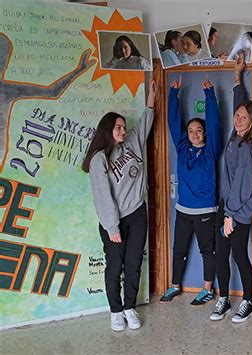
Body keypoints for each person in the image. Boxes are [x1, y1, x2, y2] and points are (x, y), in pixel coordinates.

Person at [82, 80, 156, 332]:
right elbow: (102, 195)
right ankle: (115, 310)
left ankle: (129, 307)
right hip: (113, 221)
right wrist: (112, 226)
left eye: (124, 127)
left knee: (134, 262)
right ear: (107, 130)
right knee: (115, 266)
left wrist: (151, 98)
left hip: (137, 213)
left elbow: (146, 121)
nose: (123, 131)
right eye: (118, 127)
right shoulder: (98, 159)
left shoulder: (133, 143)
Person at [210, 55, 252, 323]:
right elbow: (239, 105)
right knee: (221, 253)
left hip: (240, 209)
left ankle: (247, 300)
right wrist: (237, 76)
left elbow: (243, 187)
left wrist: (230, 215)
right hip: (227, 206)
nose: (238, 119)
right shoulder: (235, 136)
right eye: (237, 116)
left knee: (239, 254)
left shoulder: (248, 148)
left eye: (244, 117)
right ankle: (223, 298)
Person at [159, 76, 221, 306]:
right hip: (183, 210)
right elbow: (173, 124)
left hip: (205, 209)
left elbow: (214, 124)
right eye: (191, 130)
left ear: (204, 133)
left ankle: (207, 289)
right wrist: (172, 96)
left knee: (208, 251)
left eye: (198, 130)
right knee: (179, 250)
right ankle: (175, 286)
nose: (195, 134)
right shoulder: (183, 147)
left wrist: (210, 95)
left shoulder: (211, 150)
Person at [0, 33, 95, 172]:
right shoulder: (9, 90)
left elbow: (52, 92)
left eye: (3, 59)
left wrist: (78, 71)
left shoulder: (8, 89)